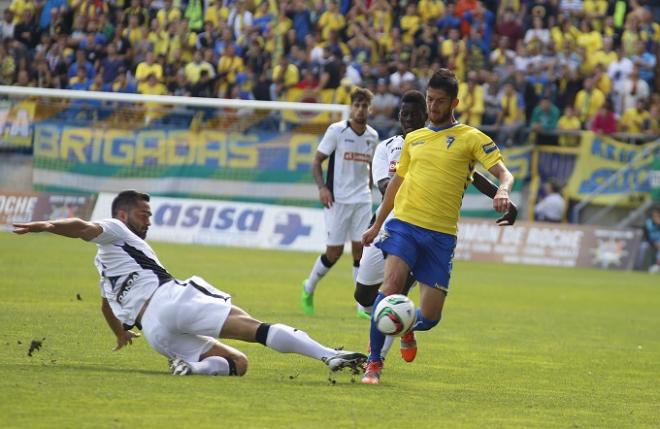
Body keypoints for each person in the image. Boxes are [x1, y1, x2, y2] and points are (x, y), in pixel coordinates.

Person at [13, 190, 367, 377]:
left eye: (150, 214)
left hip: (154, 332)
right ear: (121, 215)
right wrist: (48, 225)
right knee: (253, 327)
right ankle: (329, 356)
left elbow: (106, 304)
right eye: (143, 214)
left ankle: (193, 369)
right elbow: (82, 226)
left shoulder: (105, 264)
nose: (148, 220)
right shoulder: (115, 229)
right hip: (170, 299)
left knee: (238, 364)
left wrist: (120, 334)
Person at [360, 69, 514, 384]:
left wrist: (503, 190)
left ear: (455, 102)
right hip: (405, 225)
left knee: (430, 317)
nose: (432, 106)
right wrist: (377, 226)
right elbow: (394, 187)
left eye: (439, 101)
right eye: (430, 99)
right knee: (388, 291)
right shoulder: (414, 140)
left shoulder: (471, 138)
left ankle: (405, 328)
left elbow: (503, 173)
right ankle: (373, 364)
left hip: (441, 236)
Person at [300, 87, 379, 316]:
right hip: (338, 200)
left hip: (362, 199)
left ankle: (361, 305)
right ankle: (308, 287)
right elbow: (317, 162)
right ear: (351, 107)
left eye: (364, 105)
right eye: (357, 105)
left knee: (360, 251)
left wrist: (371, 186)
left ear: (369, 109)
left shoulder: (372, 136)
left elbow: (371, 167)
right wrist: (322, 188)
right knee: (333, 253)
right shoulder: (336, 131)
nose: (360, 109)